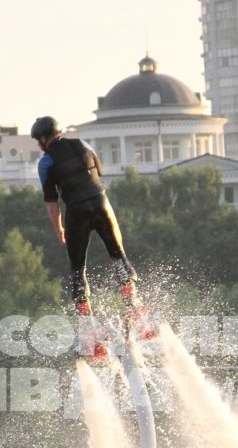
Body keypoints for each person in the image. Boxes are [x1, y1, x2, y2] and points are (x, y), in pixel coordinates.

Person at [32, 116, 152, 355]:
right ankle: (137, 312)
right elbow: (99, 170)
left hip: (77, 213)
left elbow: (51, 201)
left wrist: (59, 229)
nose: (38, 145)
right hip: (102, 205)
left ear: (45, 138)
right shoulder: (82, 144)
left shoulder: (46, 163)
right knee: (119, 257)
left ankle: (90, 334)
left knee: (77, 270)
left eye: (38, 140)